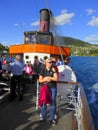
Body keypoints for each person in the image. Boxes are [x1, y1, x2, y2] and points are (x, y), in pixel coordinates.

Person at [39, 58, 58, 126]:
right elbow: (40, 80)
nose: (51, 63)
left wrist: (49, 78)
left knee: (52, 103)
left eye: (52, 62)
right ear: (46, 63)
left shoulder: (53, 69)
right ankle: (43, 116)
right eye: (50, 62)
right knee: (44, 102)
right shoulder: (43, 70)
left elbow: (56, 78)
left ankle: (52, 118)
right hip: (45, 88)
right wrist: (45, 79)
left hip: (53, 88)